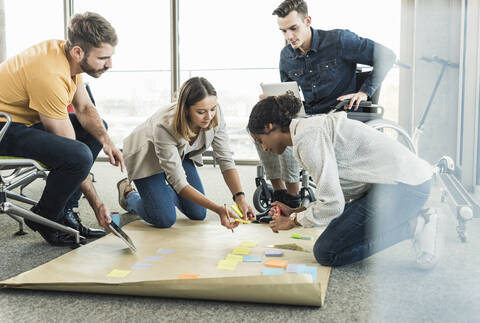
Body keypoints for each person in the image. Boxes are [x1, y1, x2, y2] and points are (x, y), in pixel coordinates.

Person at [248, 94, 444, 269]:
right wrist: (295, 211)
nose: (264, 148)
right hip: (395, 185)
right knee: (337, 229)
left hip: (406, 188)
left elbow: (333, 204)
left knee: (326, 252)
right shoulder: (306, 131)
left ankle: (416, 224)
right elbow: (332, 197)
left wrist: (292, 221)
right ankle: (412, 219)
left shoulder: (307, 139)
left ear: (269, 127)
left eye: (260, 140)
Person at [255, 0, 397, 210]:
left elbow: (387, 56)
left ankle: (293, 194)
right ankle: (282, 191)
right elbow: (290, 99)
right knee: (263, 124)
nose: (289, 37)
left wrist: (364, 91)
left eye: (293, 28)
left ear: (308, 21)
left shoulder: (339, 40)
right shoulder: (286, 56)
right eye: (283, 31)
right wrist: (273, 102)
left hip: (340, 115)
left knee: (295, 131)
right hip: (310, 117)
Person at [0, 12, 124, 246]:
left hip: (20, 122)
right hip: (3, 128)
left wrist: (106, 140)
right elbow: (74, 151)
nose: (109, 64)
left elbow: (85, 108)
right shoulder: (49, 75)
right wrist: (98, 205)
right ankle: (46, 217)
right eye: (103, 58)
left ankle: (64, 212)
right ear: (78, 52)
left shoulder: (67, 58)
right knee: (77, 155)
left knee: (96, 130)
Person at [117, 77, 255, 230]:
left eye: (212, 109)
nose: (209, 116)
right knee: (164, 218)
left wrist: (240, 198)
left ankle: (162, 191)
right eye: (201, 112)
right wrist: (218, 209)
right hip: (147, 159)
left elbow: (225, 160)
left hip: (180, 155)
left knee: (198, 213)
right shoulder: (164, 125)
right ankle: (128, 195)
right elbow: (180, 183)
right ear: (186, 109)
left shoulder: (215, 113)